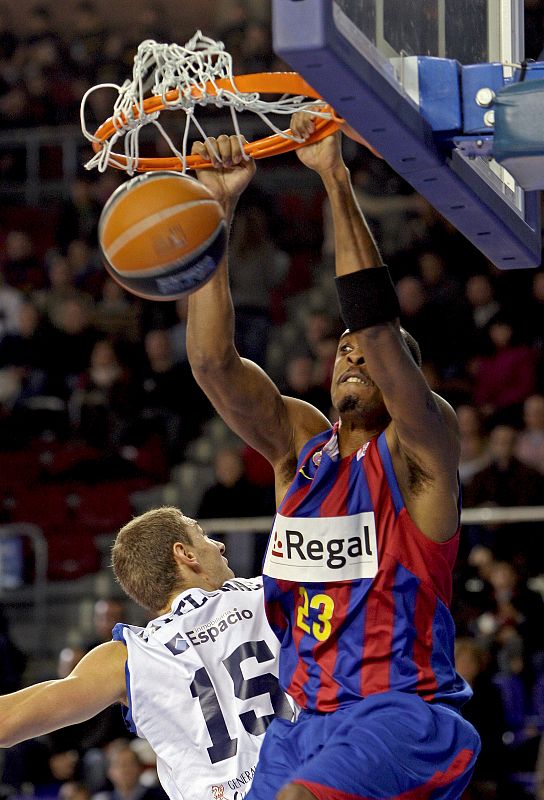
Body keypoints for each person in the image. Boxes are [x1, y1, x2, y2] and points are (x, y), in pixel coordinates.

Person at [186, 119, 480, 800]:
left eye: (368, 353)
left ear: (402, 370)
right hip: (305, 723)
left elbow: (375, 325)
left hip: (403, 714)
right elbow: (210, 363)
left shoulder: (421, 447)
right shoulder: (301, 450)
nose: (352, 352)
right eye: (340, 348)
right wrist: (218, 209)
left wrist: (332, 175)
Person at [0, 507, 294, 800]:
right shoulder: (266, 594)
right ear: (185, 554)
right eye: (202, 536)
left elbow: (6, 723)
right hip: (308, 783)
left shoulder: (131, 656)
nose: (218, 545)